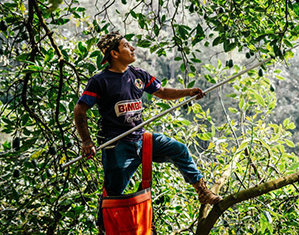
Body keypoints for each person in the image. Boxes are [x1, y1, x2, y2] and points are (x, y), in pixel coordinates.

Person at [73, 32, 222, 205]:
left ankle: (202, 192)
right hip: (117, 145)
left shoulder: (138, 75)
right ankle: (104, 230)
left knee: (179, 150)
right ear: (114, 54)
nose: (132, 48)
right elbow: (79, 109)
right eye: (126, 46)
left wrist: (187, 92)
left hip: (142, 139)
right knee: (113, 194)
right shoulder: (99, 81)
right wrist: (86, 141)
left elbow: (162, 92)